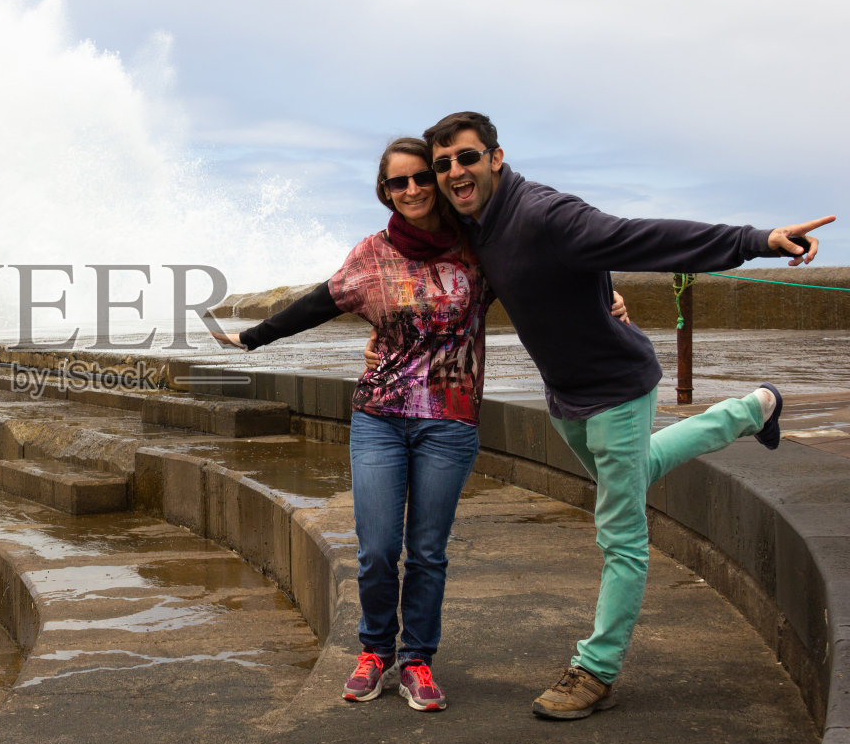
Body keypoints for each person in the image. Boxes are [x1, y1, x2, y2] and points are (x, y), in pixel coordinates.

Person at [421, 110, 834, 719]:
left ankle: (596, 669)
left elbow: (641, 237)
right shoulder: (473, 223)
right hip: (566, 394)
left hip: (616, 389)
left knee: (621, 534)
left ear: (496, 157)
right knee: (640, 470)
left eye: (466, 157)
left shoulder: (544, 213)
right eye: (443, 164)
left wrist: (756, 240)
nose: (455, 171)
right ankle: (754, 408)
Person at [214, 137, 622, 712]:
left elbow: (544, 270)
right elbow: (318, 303)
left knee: (427, 551)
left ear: (437, 180)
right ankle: (375, 651)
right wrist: (253, 337)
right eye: (397, 182)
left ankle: (417, 661)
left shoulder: (477, 246)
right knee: (378, 549)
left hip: (449, 422)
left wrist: (607, 298)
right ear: (385, 191)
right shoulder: (370, 255)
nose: (411, 190)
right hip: (379, 417)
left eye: (420, 177)